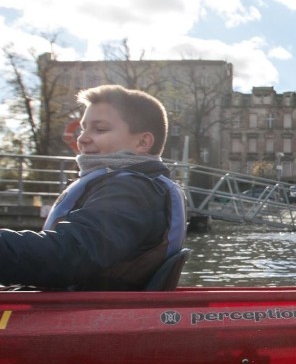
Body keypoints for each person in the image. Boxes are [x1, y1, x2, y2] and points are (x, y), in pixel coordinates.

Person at [0, 85, 187, 291]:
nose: (82, 138)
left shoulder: (132, 190)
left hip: (84, 313)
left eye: (100, 129)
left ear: (143, 142)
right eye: (83, 128)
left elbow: (72, 254)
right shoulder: (126, 185)